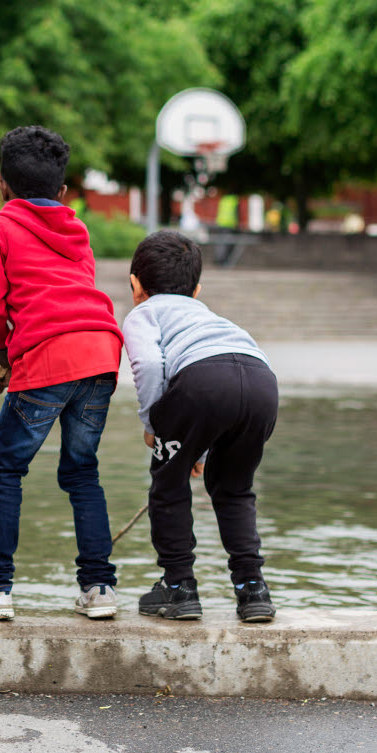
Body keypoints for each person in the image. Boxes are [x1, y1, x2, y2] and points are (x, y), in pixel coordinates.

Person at [0, 125, 123, 622]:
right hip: (102, 351)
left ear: (1, 182)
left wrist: (5, 349)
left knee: (4, 470)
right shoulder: (76, 227)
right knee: (82, 471)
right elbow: (76, 287)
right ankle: (99, 588)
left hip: (48, 357)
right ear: (63, 192)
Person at [122, 230, 278, 623]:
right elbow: (229, 377)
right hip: (260, 383)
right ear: (196, 290)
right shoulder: (209, 315)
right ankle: (252, 588)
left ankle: (178, 586)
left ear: (135, 285)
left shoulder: (144, 312)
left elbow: (149, 365)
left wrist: (153, 423)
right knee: (234, 488)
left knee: (168, 484)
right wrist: (200, 449)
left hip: (202, 381)